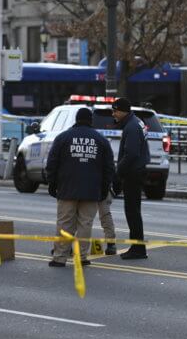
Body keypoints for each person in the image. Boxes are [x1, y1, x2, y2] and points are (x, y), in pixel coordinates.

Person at [45, 108, 114, 267]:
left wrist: (52, 183)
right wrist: (104, 188)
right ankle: (81, 257)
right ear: (91, 120)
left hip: (67, 187)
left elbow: (52, 163)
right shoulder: (100, 140)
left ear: (76, 119)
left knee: (64, 223)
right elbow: (108, 167)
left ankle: (60, 257)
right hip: (91, 189)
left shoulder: (63, 137)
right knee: (86, 223)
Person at [111, 97, 150, 260]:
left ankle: (138, 248)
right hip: (138, 171)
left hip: (133, 173)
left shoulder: (131, 126)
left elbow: (131, 154)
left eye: (115, 111)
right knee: (134, 211)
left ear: (123, 111)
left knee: (132, 212)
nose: (113, 114)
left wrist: (118, 172)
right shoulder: (135, 122)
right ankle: (137, 246)